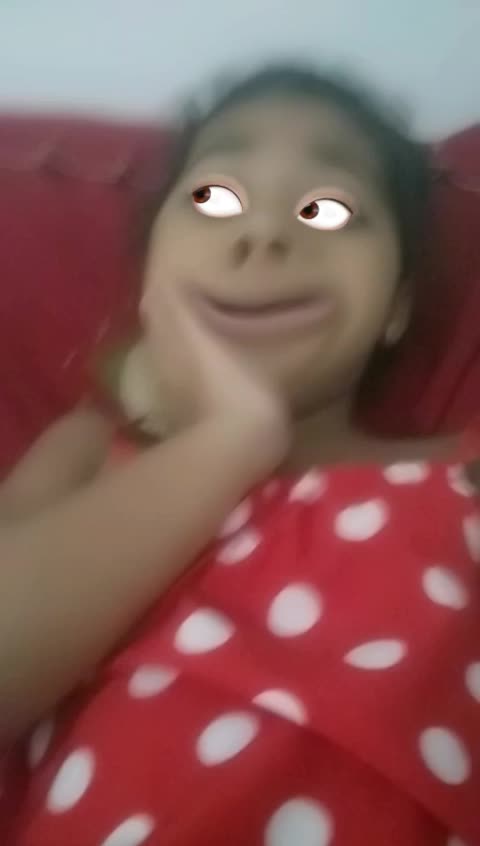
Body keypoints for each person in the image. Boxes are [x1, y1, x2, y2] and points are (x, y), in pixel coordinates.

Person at [0, 65, 479, 846]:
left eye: (328, 209)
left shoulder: (464, 470)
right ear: (151, 274)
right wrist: (234, 438)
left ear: (395, 305)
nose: (264, 235)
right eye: (213, 198)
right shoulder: (89, 454)